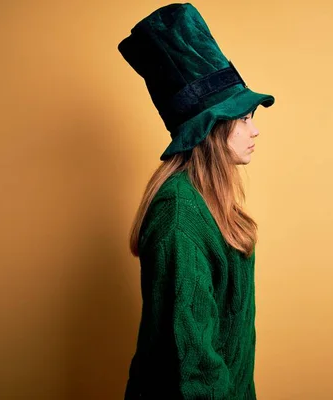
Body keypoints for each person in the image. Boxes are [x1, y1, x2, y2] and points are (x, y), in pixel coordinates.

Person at [118, 3, 275, 399]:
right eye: (242, 118)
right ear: (210, 128)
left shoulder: (211, 200)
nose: (254, 130)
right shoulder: (178, 215)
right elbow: (196, 367)